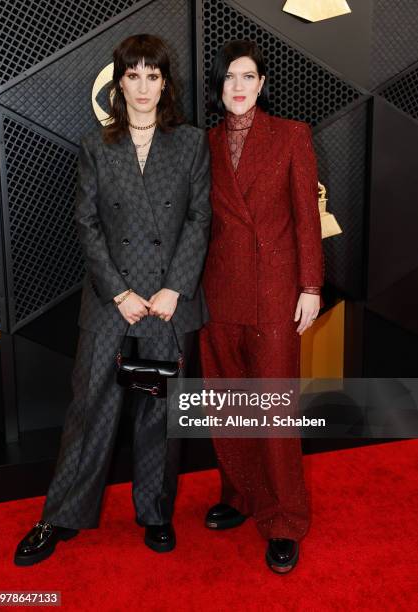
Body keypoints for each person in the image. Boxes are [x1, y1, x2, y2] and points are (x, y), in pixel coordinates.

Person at [14, 34, 211, 566]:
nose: (143, 86)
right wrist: (120, 291)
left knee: (158, 412)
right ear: (118, 82)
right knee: (88, 411)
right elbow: (86, 224)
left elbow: (198, 218)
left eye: (153, 75)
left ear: (164, 83)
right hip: (110, 302)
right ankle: (59, 515)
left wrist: (173, 288)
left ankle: (156, 513)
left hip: (170, 302)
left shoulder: (190, 143)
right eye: (133, 75)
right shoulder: (96, 144)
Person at [199, 40, 324, 574]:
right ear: (219, 86)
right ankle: (242, 494)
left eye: (248, 76)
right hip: (219, 291)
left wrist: (311, 287)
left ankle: (285, 519)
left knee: (273, 412)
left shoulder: (291, 135)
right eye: (229, 77)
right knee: (225, 404)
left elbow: (306, 218)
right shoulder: (202, 143)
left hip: (276, 292)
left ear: (262, 83)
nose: (239, 86)